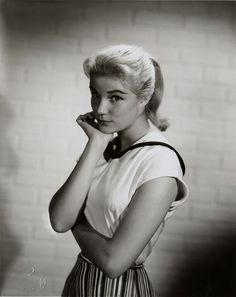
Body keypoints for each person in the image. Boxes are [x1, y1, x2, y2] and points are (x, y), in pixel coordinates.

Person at [48, 44, 189, 297]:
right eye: (95, 94)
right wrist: (95, 144)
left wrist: (77, 223)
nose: (100, 109)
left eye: (115, 97)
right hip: (80, 280)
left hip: (119, 289)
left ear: (144, 98)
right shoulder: (102, 146)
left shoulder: (160, 161)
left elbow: (114, 263)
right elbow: (59, 220)